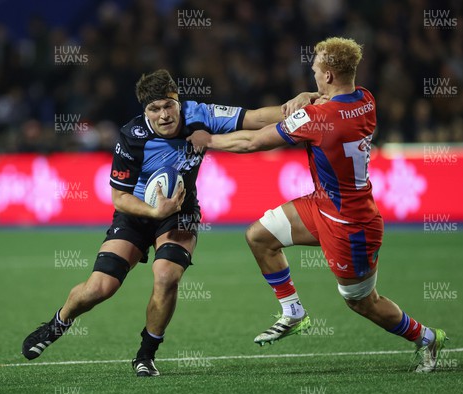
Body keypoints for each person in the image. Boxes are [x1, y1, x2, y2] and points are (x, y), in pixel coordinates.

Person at [187, 37, 447, 373]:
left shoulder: (317, 118)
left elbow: (253, 141)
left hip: (351, 226)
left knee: (362, 302)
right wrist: (306, 97)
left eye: (314, 70)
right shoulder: (365, 99)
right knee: (259, 236)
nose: (310, 73)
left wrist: (207, 141)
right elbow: (327, 101)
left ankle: (427, 337)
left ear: (327, 75)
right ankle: (293, 312)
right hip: (321, 205)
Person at [21, 69, 283, 377]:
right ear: (144, 111)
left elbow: (256, 117)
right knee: (100, 287)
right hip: (137, 213)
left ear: (177, 100)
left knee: (166, 275)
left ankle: (146, 354)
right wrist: (155, 212)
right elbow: (119, 198)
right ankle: (59, 322)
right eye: (154, 109)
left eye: (168, 105)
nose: (164, 115)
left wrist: (295, 106)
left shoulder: (200, 115)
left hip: (181, 212)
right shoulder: (132, 137)